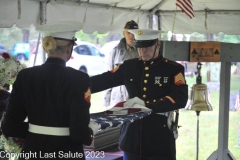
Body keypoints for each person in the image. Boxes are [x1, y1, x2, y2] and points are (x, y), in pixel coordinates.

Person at [1, 22, 98, 160]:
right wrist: (89, 133)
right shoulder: (79, 79)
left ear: (47, 48)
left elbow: (9, 127)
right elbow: (78, 133)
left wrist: (37, 131)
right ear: (69, 48)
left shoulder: (25, 76)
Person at [91, 29, 188, 160]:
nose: (142, 51)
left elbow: (179, 99)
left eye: (147, 47)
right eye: (139, 47)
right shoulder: (130, 66)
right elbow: (102, 81)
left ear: (157, 44)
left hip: (159, 138)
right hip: (132, 137)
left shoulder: (173, 69)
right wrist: (74, 83)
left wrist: (145, 105)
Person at [104, 20, 139, 108]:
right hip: (118, 95)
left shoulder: (142, 51)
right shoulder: (115, 51)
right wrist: (106, 101)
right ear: (124, 33)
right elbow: (108, 76)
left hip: (136, 94)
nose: (131, 36)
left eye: (134, 33)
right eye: (129, 33)